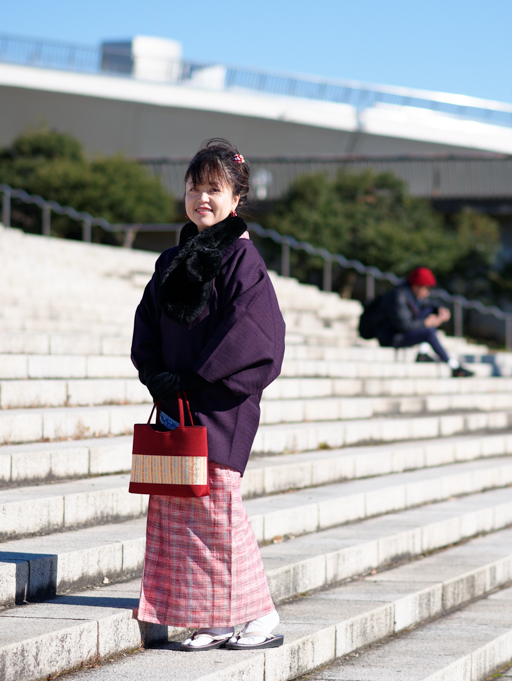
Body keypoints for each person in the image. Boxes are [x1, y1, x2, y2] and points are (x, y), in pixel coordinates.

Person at [131, 138, 287, 651]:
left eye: (214, 189)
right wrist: (155, 373)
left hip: (221, 406)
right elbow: (148, 323)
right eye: (195, 187)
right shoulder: (172, 260)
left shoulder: (244, 260)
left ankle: (261, 616)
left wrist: (198, 379)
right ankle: (216, 617)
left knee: (218, 511)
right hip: (177, 404)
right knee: (185, 513)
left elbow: (257, 336)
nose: (202, 197)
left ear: (236, 198)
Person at [373, 266, 473, 377]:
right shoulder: (397, 296)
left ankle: (422, 354)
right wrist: (426, 323)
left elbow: (429, 304)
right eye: (426, 289)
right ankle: (454, 366)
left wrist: (440, 310)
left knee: (429, 312)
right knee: (428, 332)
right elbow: (404, 325)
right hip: (391, 338)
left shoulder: (411, 294)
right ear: (416, 286)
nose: (428, 293)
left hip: (401, 333)